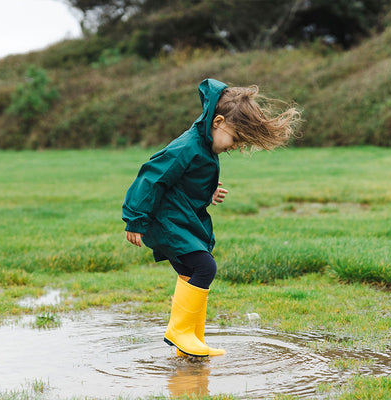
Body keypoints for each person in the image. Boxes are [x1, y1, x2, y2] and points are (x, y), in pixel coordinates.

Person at [122, 78, 299, 357]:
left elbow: (185, 181)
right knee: (205, 268)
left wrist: (208, 191)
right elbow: (152, 176)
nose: (235, 146)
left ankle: (191, 341)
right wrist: (135, 218)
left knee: (190, 272)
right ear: (218, 121)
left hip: (180, 220)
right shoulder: (188, 146)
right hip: (168, 222)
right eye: (235, 138)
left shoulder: (204, 146)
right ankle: (179, 332)